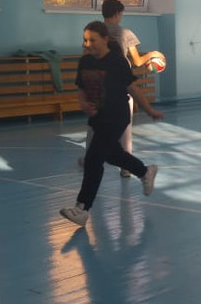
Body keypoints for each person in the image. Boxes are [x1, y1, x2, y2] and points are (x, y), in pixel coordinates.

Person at [60, 21, 163, 227]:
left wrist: (149, 110)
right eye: (85, 40)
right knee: (112, 154)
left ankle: (82, 208)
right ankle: (145, 171)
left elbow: (132, 88)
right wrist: (84, 104)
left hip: (117, 115)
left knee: (93, 159)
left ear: (105, 40)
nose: (88, 44)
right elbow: (81, 89)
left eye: (93, 40)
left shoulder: (116, 62)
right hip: (98, 116)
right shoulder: (85, 61)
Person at [100, 0, 161, 176]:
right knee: (125, 129)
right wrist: (152, 54)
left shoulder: (95, 30)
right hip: (120, 84)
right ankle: (126, 167)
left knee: (97, 125)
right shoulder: (124, 33)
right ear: (117, 13)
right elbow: (137, 61)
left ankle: (91, 158)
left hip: (100, 84)